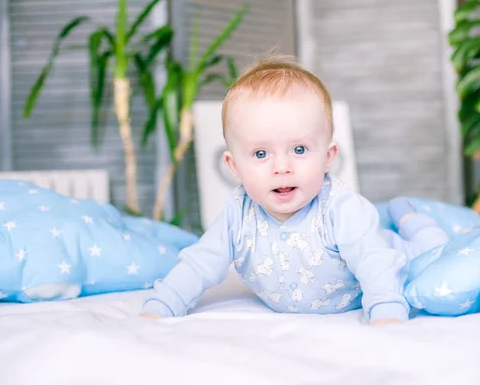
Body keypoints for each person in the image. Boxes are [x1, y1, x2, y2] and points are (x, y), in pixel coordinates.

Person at [140, 56, 448, 325]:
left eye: (299, 149)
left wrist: (386, 310)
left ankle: (411, 218)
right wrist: (162, 305)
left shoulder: (340, 208)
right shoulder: (238, 213)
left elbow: (374, 262)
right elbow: (199, 263)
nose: (282, 167)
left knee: (431, 251)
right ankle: (400, 213)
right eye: (261, 154)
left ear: (328, 157)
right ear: (233, 166)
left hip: (392, 254)